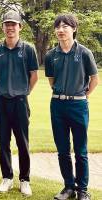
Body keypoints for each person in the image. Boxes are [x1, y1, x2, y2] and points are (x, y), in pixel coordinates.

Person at [45, 14, 99, 200]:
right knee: (62, 150)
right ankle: (68, 187)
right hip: (58, 105)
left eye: (65, 26)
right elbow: (52, 81)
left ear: (74, 29)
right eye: (58, 27)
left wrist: (82, 96)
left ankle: (82, 190)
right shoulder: (51, 55)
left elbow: (94, 80)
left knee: (81, 150)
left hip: (78, 105)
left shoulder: (85, 53)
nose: (61, 30)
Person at [0, 10, 39, 196]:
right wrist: (5, 88)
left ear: (20, 27)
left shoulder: (28, 49)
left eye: (14, 24)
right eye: (7, 24)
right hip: (1, 101)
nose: (10, 27)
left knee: (22, 143)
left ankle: (25, 179)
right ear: (3, 27)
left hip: (20, 101)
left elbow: (34, 75)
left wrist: (24, 91)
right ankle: (7, 178)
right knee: (3, 141)